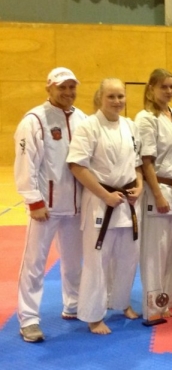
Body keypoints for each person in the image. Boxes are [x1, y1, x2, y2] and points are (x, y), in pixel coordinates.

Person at [14, 67, 86, 343]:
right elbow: (26, 163)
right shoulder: (34, 120)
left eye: (71, 87)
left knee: (74, 261)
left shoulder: (82, 119)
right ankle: (29, 318)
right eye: (61, 87)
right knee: (35, 264)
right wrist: (33, 200)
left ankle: (74, 304)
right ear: (49, 88)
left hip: (76, 205)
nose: (67, 92)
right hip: (45, 207)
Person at [67, 78, 143, 334]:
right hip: (101, 202)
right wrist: (105, 195)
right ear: (100, 97)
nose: (117, 101)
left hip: (127, 202)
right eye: (111, 96)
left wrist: (140, 187)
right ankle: (93, 316)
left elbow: (137, 164)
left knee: (128, 257)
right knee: (97, 261)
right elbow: (76, 166)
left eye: (120, 96)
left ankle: (121, 303)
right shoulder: (88, 126)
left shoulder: (130, 126)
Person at [135, 68, 172, 320]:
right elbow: (146, 161)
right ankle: (153, 306)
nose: (168, 91)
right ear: (151, 89)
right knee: (156, 252)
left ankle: (168, 300)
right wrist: (157, 195)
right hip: (159, 188)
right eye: (163, 87)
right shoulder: (146, 118)